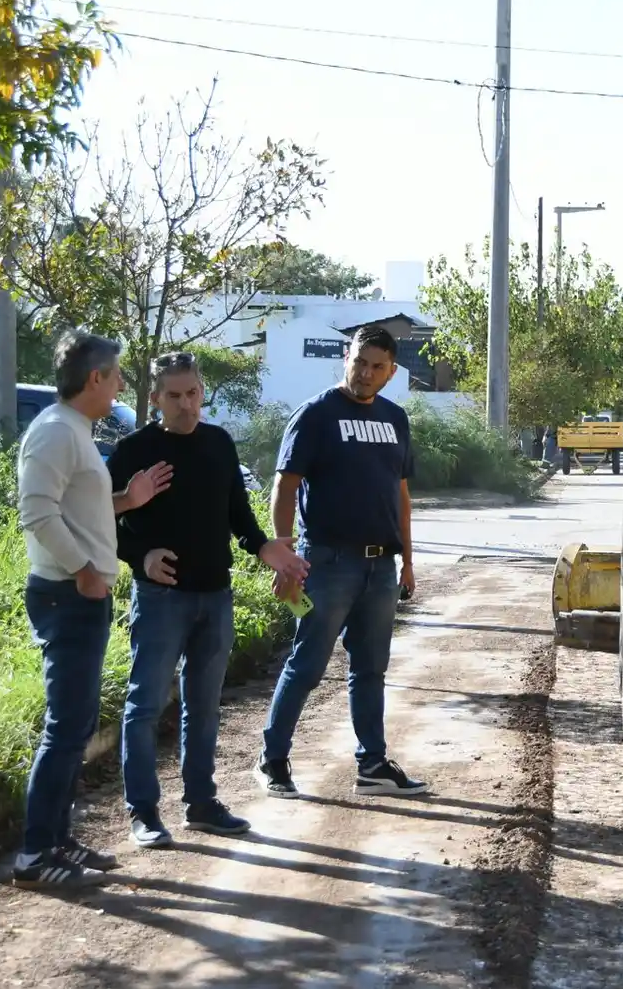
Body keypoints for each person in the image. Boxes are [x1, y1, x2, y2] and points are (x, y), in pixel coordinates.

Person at [107, 351, 311, 849]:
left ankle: (201, 803)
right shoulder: (134, 449)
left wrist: (267, 548)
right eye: (173, 396)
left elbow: (238, 517)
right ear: (154, 399)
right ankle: (144, 814)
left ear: (203, 391)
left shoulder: (219, 442)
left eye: (192, 393)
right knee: (145, 705)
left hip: (215, 596)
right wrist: (140, 555)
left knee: (203, 706)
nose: (185, 404)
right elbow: (96, 518)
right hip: (160, 599)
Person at [13, 329, 173, 890]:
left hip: (80, 595)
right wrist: (84, 569)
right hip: (67, 596)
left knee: (77, 725)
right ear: (96, 378)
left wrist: (127, 500)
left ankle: (57, 840)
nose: (123, 385)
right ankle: (35, 856)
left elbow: (74, 508)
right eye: (117, 375)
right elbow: (36, 514)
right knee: (64, 729)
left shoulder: (75, 430)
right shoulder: (56, 432)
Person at [256, 324, 427, 798]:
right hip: (326, 563)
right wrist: (284, 557)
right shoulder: (315, 415)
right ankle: (273, 759)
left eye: (377, 366)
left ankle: (372, 765)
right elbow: (285, 486)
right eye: (359, 361)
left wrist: (408, 561)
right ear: (345, 359)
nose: (365, 373)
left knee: (371, 669)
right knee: (307, 665)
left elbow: (401, 493)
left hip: (380, 567)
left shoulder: (395, 419)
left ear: (391, 373)